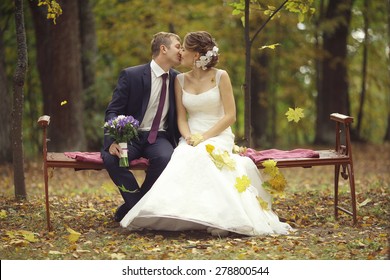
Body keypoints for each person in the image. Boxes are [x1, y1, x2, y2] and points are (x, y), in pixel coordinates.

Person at [120, 31, 292, 236]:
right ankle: (172, 212)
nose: (181, 51)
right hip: (191, 135)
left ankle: (222, 217)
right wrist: (189, 137)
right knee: (184, 154)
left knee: (204, 154)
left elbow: (230, 116)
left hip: (218, 133)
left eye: (184, 47)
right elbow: (181, 118)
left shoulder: (221, 76)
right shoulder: (180, 80)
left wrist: (205, 137)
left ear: (195, 55)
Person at [101, 32, 182, 222]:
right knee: (111, 159)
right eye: (178, 46)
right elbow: (113, 110)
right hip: (130, 136)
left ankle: (129, 210)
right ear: (163, 48)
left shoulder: (179, 80)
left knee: (165, 158)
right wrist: (112, 140)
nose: (181, 51)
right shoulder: (131, 75)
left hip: (160, 137)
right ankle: (137, 206)